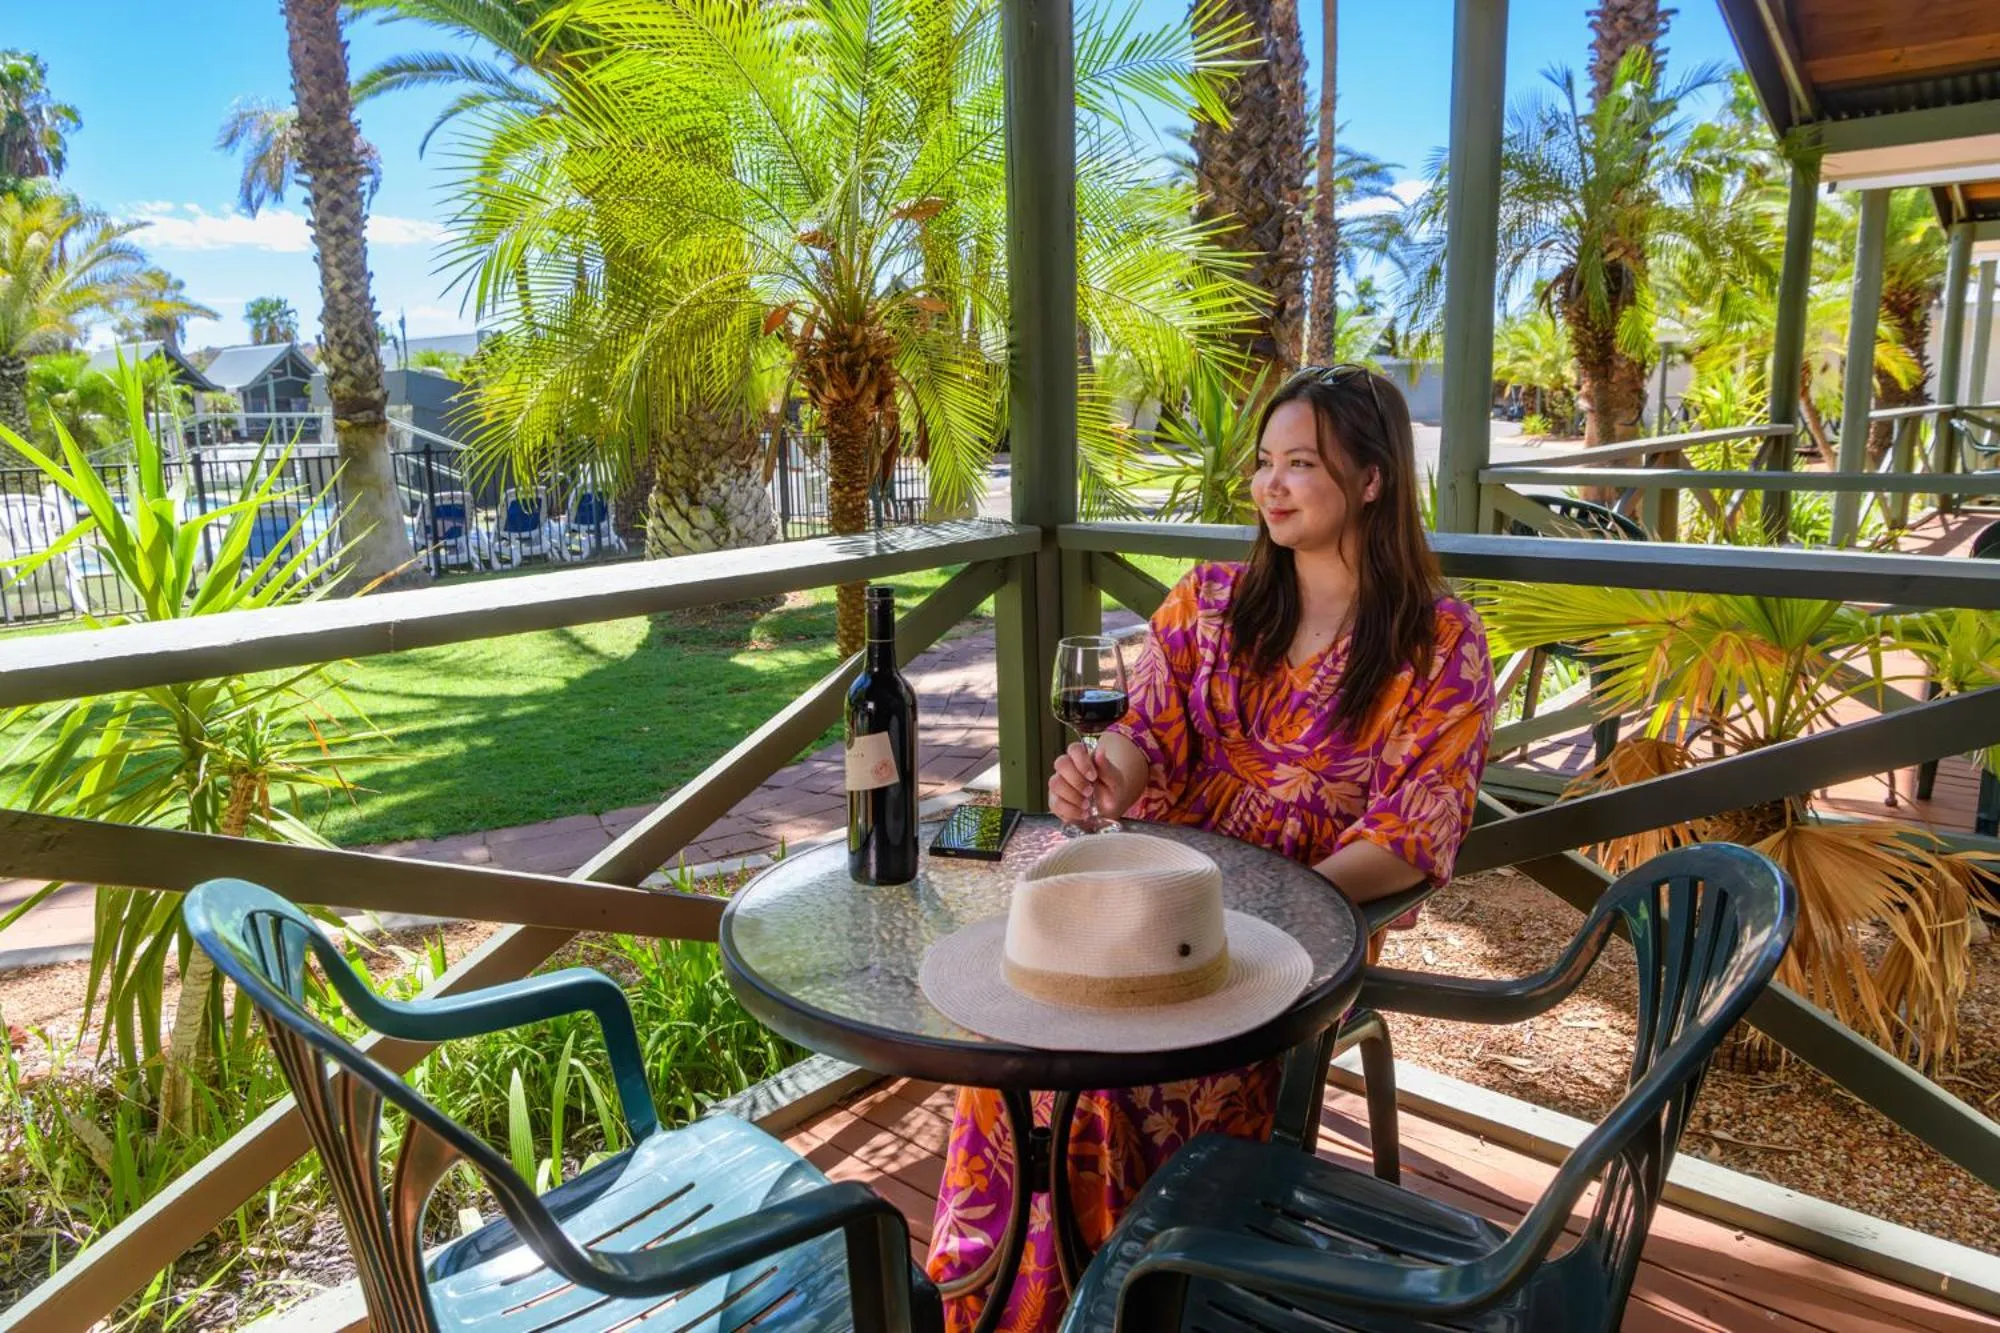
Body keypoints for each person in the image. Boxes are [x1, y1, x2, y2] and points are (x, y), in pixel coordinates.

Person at [924, 365, 1498, 1331]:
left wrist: (1274, 914)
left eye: (1301, 463)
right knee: (1018, 1045)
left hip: (1292, 951)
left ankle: (1115, 1303)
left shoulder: (1439, 644)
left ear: (1371, 479)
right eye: (1265, 462)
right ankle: (995, 1302)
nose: (1271, 485)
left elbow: (1409, 836)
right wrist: (1102, 776)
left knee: (1112, 1085)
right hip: (1152, 913)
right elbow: (1141, 736)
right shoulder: (1212, 601)